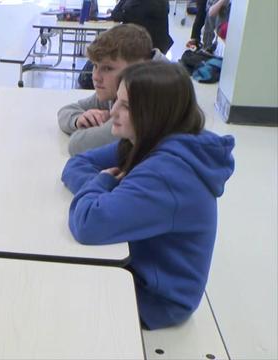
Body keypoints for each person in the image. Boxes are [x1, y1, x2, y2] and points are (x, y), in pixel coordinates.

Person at [61, 62, 235, 330]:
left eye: (127, 106)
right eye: (116, 101)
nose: (113, 112)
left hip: (156, 299)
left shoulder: (168, 174)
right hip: (140, 267)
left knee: (58, 293)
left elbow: (88, 224)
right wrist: (107, 190)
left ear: (156, 113)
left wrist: (105, 185)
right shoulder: (147, 139)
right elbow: (76, 165)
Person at [57, 24, 167, 156]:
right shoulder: (123, 86)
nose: (96, 77)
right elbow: (66, 110)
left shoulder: (151, 94)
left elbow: (79, 145)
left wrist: (94, 129)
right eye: (95, 66)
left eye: (108, 68)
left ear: (139, 67)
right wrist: (80, 119)